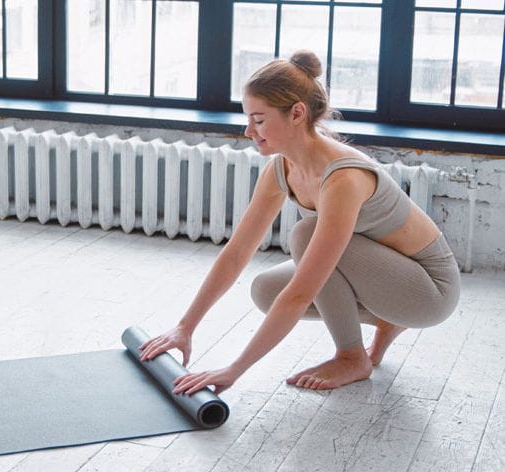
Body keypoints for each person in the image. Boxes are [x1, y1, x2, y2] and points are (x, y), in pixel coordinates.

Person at [139, 50, 461, 395]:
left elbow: (301, 293)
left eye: (258, 120)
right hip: (384, 275)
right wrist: (185, 327)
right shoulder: (281, 168)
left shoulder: (344, 179)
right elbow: (237, 252)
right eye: (248, 119)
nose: (248, 131)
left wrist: (234, 370)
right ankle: (387, 319)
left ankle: (352, 357)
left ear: (296, 113)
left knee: (305, 235)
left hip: (429, 290)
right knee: (266, 289)